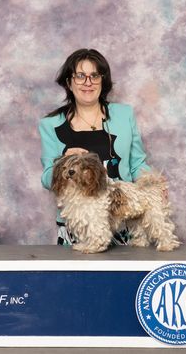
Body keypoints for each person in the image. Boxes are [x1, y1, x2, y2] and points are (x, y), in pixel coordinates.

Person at [39, 48, 150, 246]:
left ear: (102, 81)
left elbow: (137, 164)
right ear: (69, 82)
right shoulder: (50, 124)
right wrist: (62, 163)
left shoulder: (124, 115)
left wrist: (151, 186)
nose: (88, 82)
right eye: (80, 76)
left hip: (122, 219)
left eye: (94, 75)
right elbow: (48, 178)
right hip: (79, 226)